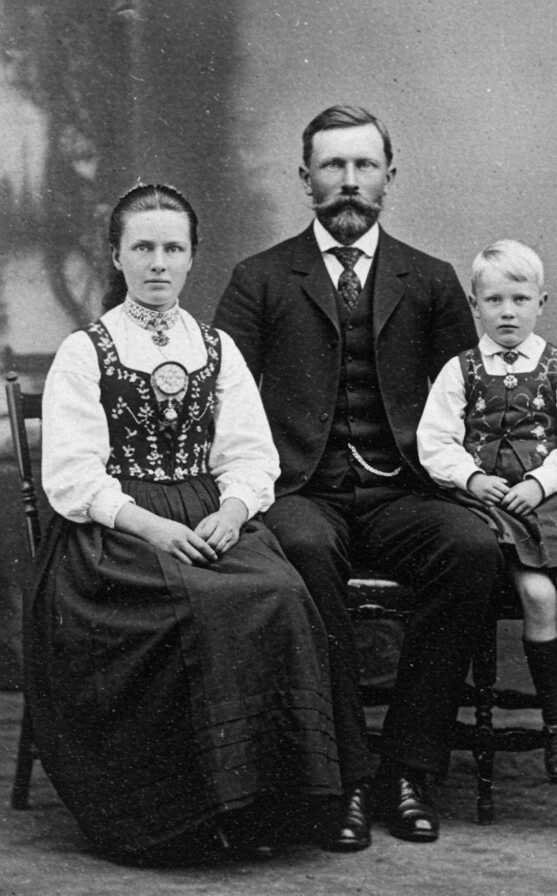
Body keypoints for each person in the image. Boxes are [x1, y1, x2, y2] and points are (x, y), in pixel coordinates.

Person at [213, 105, 502, 851]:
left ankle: (407, 769)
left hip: (406, 489)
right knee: (302, 551)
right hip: (302, 491)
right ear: (305, 179)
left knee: (470, 550)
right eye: (333, 167)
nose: (348, 182)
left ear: (389, 178)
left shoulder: (432, 281)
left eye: (363, 166)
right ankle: (342, 774)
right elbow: (225, 404)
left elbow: (467, 405)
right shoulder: (259, 279)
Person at [28, 184, 343, 863]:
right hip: (115, 534)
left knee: (280, 594)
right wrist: (153, 527)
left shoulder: (217, 347)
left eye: (173, 248)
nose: (158, 263)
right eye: (143, 247)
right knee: (200, 605)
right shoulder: (87, 352)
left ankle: (264, 805)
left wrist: (233, 511)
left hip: (209, 516)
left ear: (193, 258)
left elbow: (250, 455)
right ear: (117, 255)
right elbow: (74, 478)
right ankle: (188, 814)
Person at [417, 239, 557, 779]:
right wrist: (472, 477)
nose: (507, 312)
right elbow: (434, 441)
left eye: (519, 299)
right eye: (493, 301)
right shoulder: (459, 370)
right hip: (493, 509)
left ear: (542, 301)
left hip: (551, 501)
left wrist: (540, 483)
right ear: (475, 305)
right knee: (537, 592)